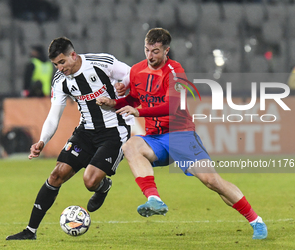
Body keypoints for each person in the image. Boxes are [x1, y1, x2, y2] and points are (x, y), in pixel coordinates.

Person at [96, 28, 268, 240]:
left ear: (167, 50)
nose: (150, 56)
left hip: (181, 135)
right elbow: (133, 99)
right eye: (147, 50)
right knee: (130, 146)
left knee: (212, 181)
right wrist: (114, 103)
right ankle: (154, 199)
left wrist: (139, 111)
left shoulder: (175, 71)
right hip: (156, 139)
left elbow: (174, 105)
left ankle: (255, 220)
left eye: (156, 51)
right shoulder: (137, 70)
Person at [6, 37, 133, 240]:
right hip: (86, 131)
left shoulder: (101, 63)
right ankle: (30, 231)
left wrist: (124, 87)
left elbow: (132, 74)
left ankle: (102, 187)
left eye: (62, 62)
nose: (59, 68)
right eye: (56, 64)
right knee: (56, 174)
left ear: (73, 55)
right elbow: (53, 115)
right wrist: (42, 141)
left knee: (90, 181)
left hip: (114, 130)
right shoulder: (60, 81)